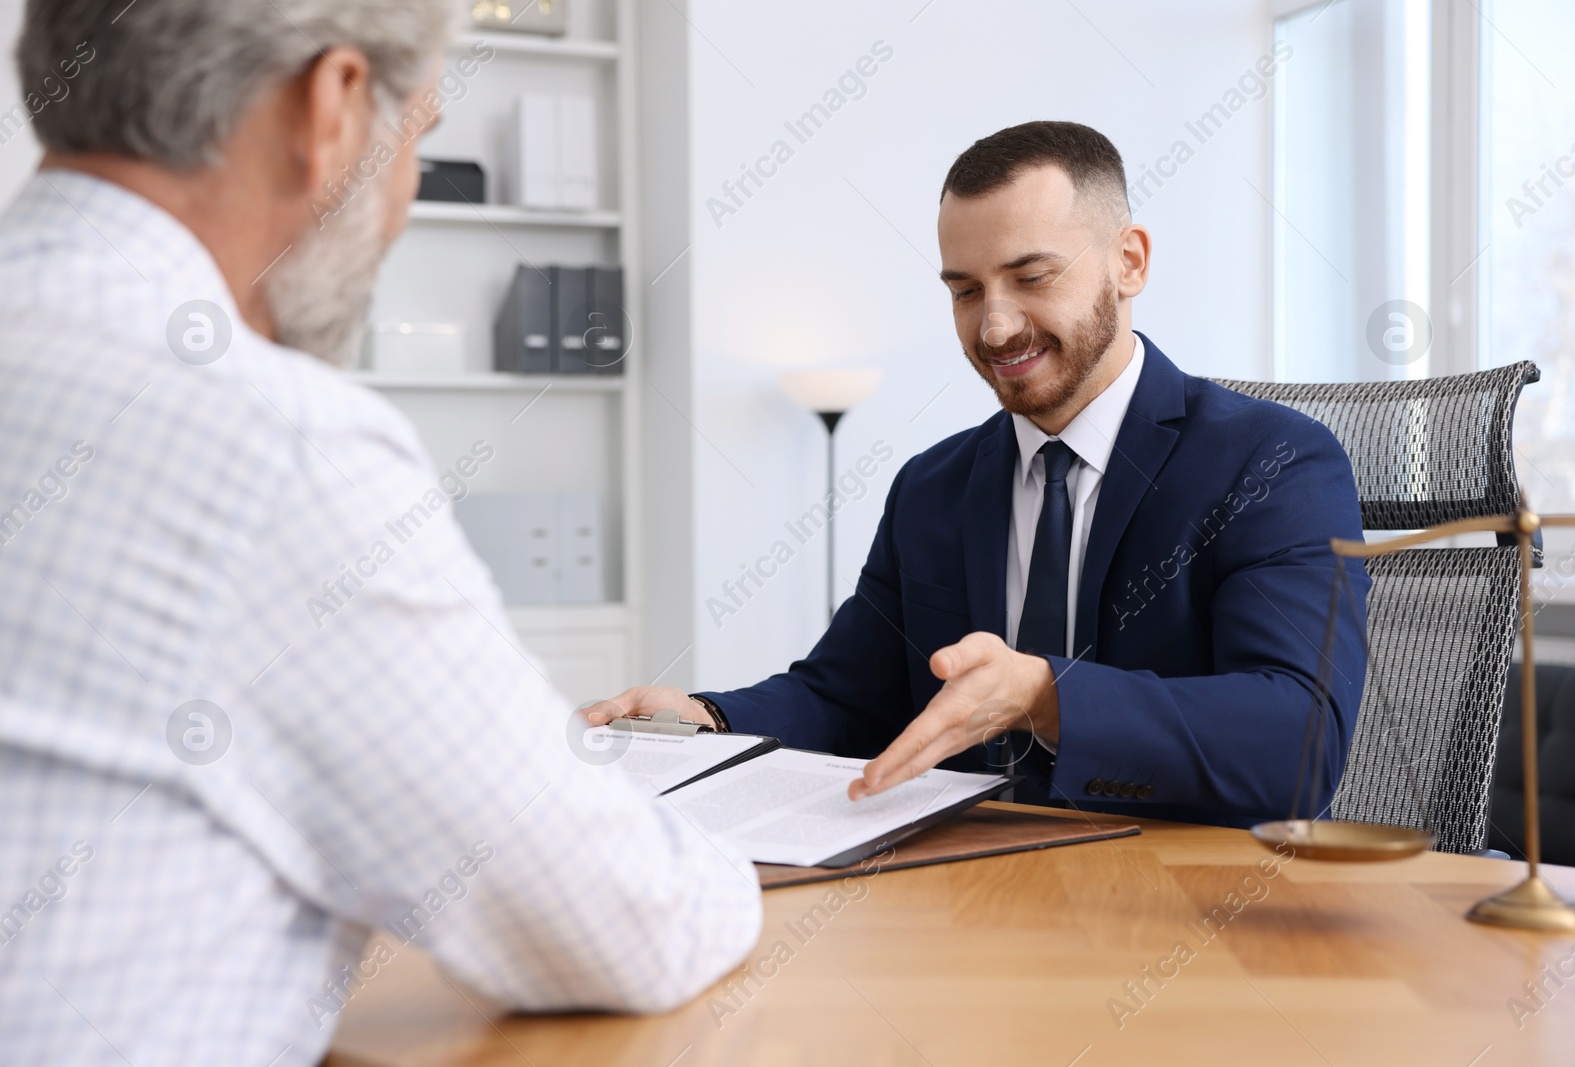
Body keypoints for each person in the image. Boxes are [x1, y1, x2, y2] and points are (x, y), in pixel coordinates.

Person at [0, 2, 760, 1064]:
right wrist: (725, 861)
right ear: (334, 104)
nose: (404, 195)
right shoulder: (270, 439)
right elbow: (619, 922)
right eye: (424, 136)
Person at [595, 121, 1370, 828]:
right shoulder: (932, 486)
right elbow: (844, 699)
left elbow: (1297, 744)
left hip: (1184, 910)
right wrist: (706, 719)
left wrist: (1044, 695)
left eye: (1031, 277)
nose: (993, 326)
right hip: (967, 892)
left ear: (1128, 262)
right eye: (965, 291)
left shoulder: (1271, 462)